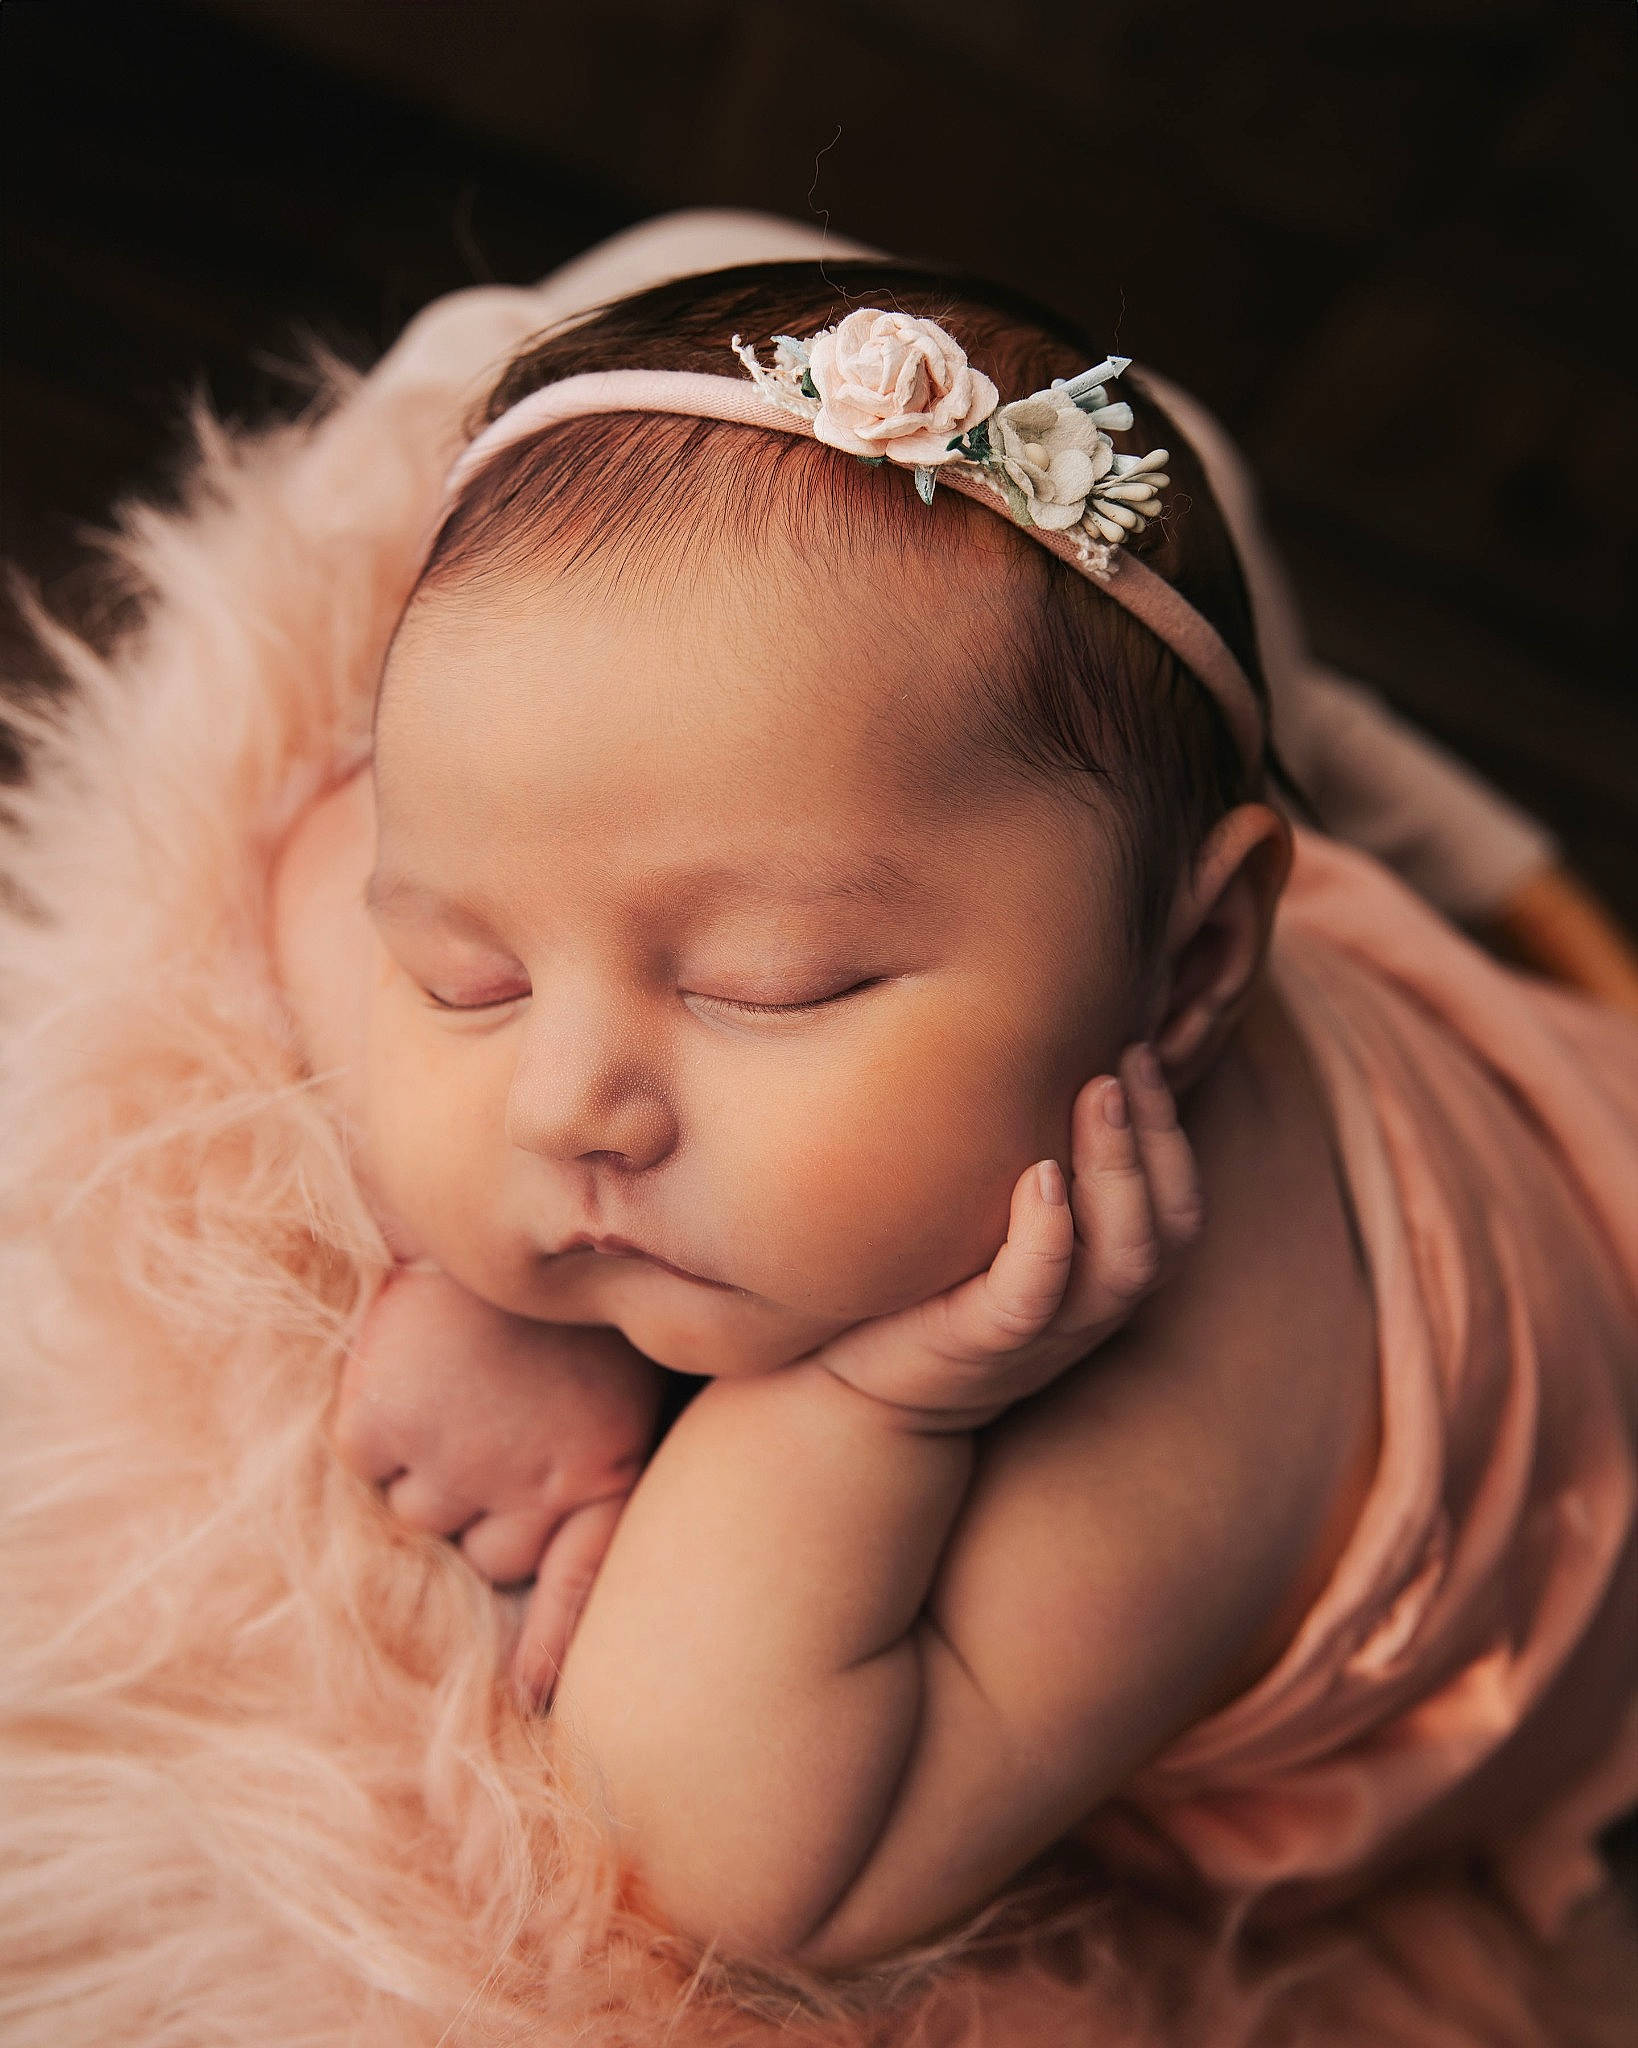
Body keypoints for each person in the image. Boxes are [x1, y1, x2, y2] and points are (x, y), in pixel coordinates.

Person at [269, 247, 1638, 1986]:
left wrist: (868, 1403)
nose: (565, 1106)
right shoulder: (756, 1015)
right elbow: (319, 856)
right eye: (467, 975)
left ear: (1189, 966)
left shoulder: (1189, 1419)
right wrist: (495, 1299)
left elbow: (716, 1862)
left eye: (770, 988)